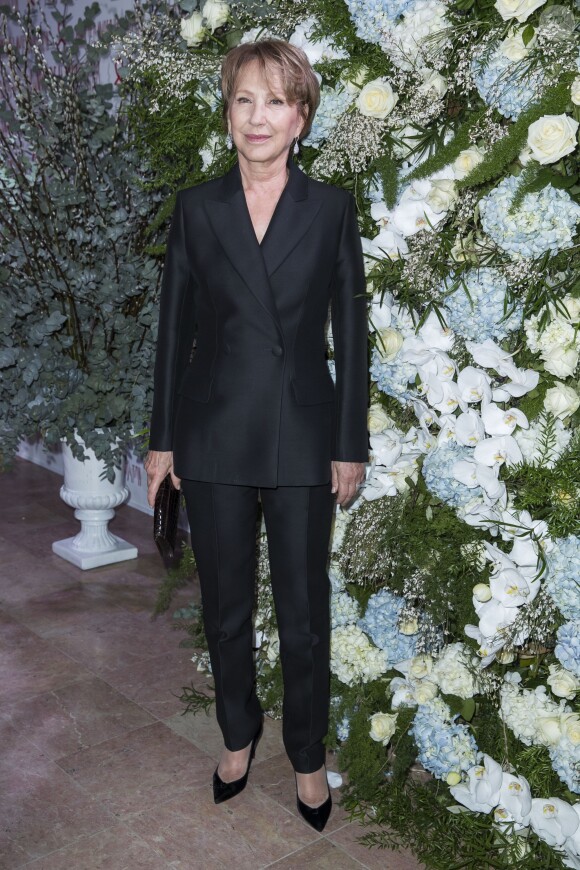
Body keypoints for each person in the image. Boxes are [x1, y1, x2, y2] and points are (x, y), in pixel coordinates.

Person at [144, 39, 368, 833]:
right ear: (228, 113)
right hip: (214, 436)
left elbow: (353, 331)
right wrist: (161, 438)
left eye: (276, 100)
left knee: (306, 614)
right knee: (227, 606)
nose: (258, 116)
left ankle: (306, 755)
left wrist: (350, 443)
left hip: (306, 436)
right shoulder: (198, 208)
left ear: (301, 118)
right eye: (245, 99)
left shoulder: (332, 208)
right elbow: (173, 333)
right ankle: (239, 735)